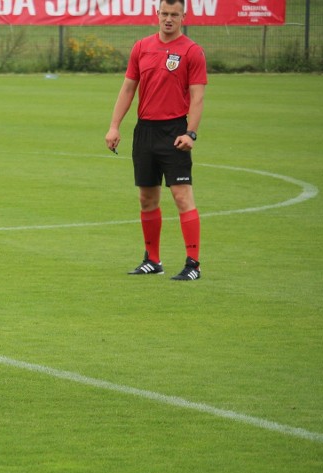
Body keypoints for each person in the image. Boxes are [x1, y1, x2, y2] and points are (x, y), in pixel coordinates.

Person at [105, 0, 207, 281]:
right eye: (165, 14)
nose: (169, 19)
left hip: (175, 131)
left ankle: (193, 264)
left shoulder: (192, 51)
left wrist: (191, 133)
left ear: (184, 17)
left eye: (175, 15)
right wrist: (114, 126)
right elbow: (128, 88)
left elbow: (198, 97)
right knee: (146, 197)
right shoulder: (142, 47)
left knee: (181, 195)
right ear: (157, 15)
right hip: (145, 131)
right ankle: (152, 259)